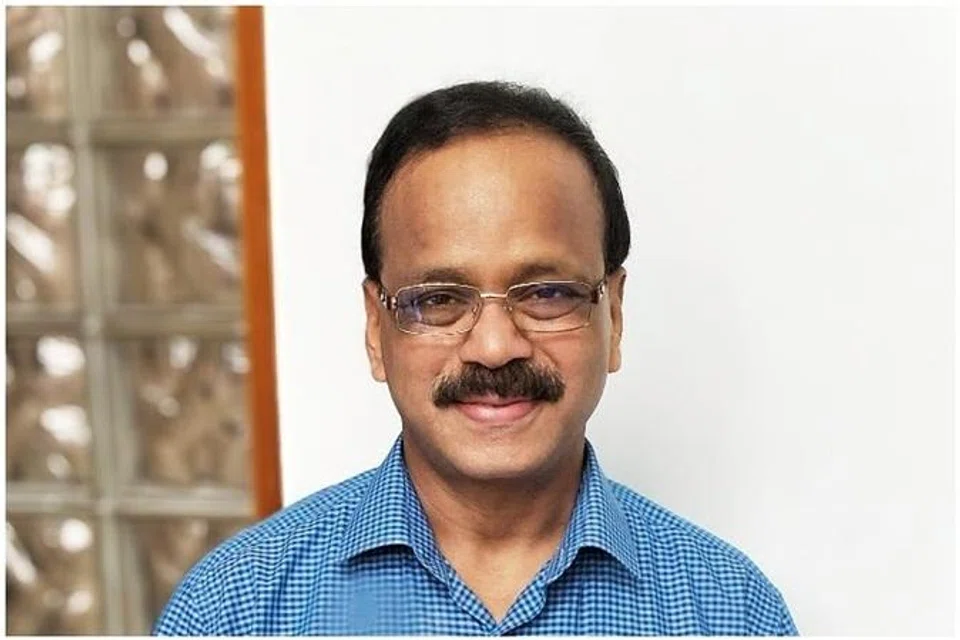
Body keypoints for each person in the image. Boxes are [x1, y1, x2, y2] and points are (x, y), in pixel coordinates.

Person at [154, 80, 798, 635]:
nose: (493, 347)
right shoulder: (235, 610)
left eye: (546, 293)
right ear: (376, 328)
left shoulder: (730, 612)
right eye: (438, 300)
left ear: (615, 316)